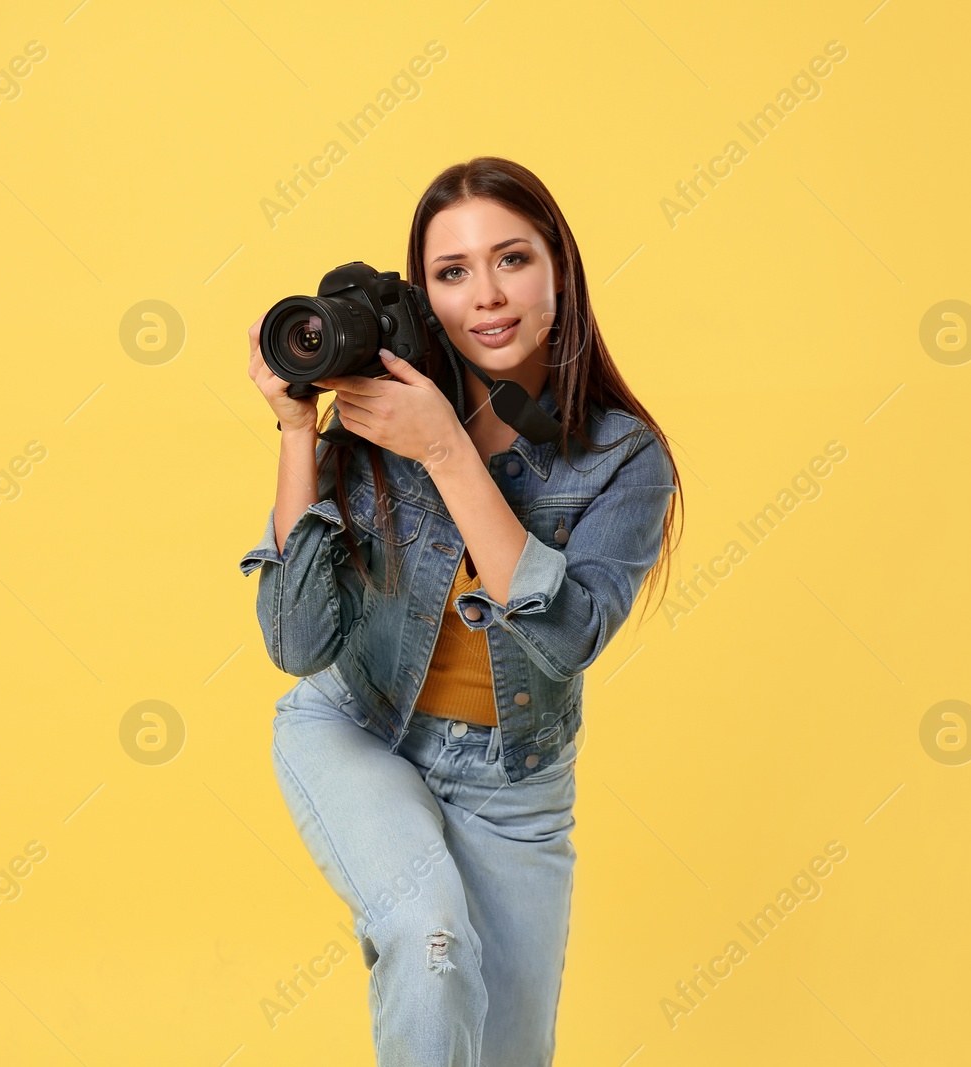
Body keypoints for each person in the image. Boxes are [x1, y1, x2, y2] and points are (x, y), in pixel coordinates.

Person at [239, 156, 684, 1067]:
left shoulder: (625, 460)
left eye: (511, 259)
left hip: (511, 782)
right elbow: (295, 642)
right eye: (452, 272)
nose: (486, 295)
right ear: (423, 294)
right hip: (358, 727)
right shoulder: (373, 417)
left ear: (560, 270)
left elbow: (565, 639)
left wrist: (447, 448)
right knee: (430, 940)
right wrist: (296, 433)